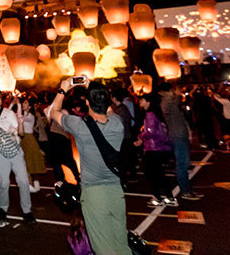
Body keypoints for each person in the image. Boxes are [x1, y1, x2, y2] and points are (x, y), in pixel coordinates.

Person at [48, 80, 128, 255]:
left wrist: (63, 89)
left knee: (102, 247)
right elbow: (108, 110)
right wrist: (96, 89)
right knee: (121, 243)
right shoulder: (117, 123)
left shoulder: (80, 125)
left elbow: (53, 112)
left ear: (87, 103)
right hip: (116, 191)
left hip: (93, 193)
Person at [0, 89, 33, 222]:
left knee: (23, 181)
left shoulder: (8, 113)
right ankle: (3, 209)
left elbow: (21, 134)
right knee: (3, 183)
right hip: (0, 153)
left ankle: (27, 211)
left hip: (16, 151)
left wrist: (20, 123)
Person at [158, 82, 201, 201]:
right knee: (181, 164)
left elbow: (182, 117)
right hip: (177, 135)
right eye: (171, 90)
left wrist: (189, 131)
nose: (173, 92)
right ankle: (185, 190)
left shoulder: (174, 102)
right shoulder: (166, 102)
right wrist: (177, 95)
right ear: (164, 92)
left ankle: (187, 189)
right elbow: (172, 106)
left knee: (185, 163)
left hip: (182, 134)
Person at [135, 93, 176, 207]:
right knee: (159, 173)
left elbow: (150, 132)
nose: (140, 102)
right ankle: (169, 197)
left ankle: (157, 197)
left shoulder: (150, 115)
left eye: (142, 100)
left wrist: (140, 137)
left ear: (148, 102)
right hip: (158, 147)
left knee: (152, 174)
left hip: (152, 148)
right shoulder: (156, 113)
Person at [18, 97, 45, 192]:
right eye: (23, 103)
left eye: (25, 103)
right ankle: (34, 184)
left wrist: (17, 105)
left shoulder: (30, 116)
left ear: (29, 107)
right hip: (24, 139)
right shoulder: (26, 115)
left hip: (28, 139)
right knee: (28, 162)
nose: (23, 104)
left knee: (29, 162)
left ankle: (31, 184)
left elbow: (20, 118)